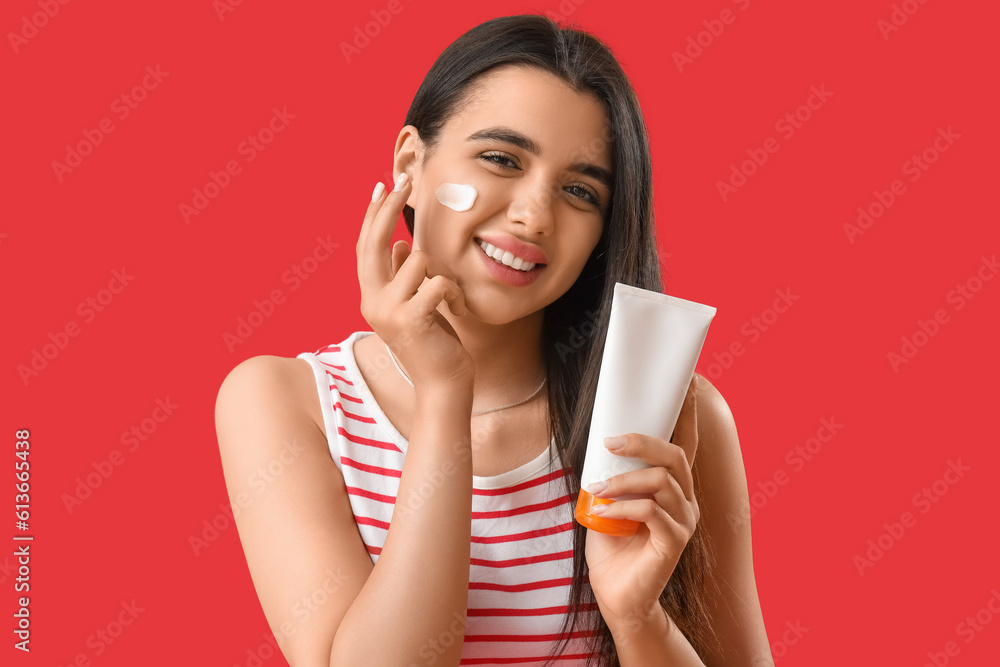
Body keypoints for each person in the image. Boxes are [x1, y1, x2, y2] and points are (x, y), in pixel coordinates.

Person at [215, 14, 772, 667]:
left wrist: (637, 617)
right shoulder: (290, 402)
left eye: (579, 190)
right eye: (501, 158)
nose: (535, 214)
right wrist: (446, 394)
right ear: (410, 167)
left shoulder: (667, 420)